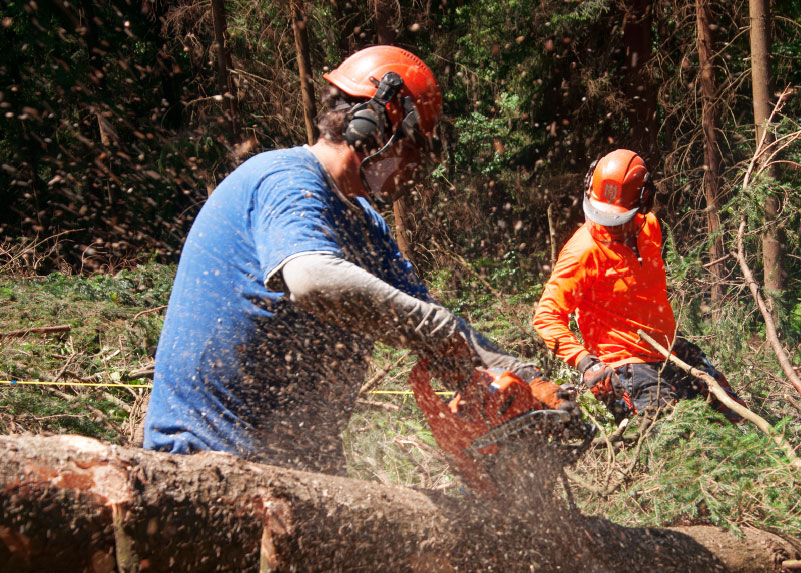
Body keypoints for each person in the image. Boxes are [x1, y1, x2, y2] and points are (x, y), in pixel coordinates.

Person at [144, 45, 574, 474]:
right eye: (411, 148)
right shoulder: (284, 179)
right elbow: (313, 279)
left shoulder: (367, 224)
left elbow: (431, 324)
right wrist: (438, 331)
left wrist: (522, 378)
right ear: (376, 124)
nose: (411, 167)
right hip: (205, 457)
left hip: (300, 471)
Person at [533, 148, 745, 426]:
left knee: (734, 415)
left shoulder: (651, 227)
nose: (609, 227)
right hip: (626, 367)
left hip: (666, 350)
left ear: (643, 202)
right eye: (602, 216)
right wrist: (587, 363)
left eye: (618, 220)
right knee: (675, 439)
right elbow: (546, 316)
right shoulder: (582, 250)